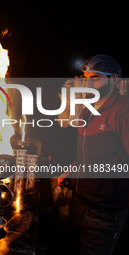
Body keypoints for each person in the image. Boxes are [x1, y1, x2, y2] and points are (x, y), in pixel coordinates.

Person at [58, 54, 129, 255]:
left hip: (104, 213)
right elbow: (86, 154)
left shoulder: (123, 111)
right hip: (79, 202)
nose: (88, 84)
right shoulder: (88, 109)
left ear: (114, 79)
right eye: (85, 78)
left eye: (95, 78)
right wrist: (72, 171)